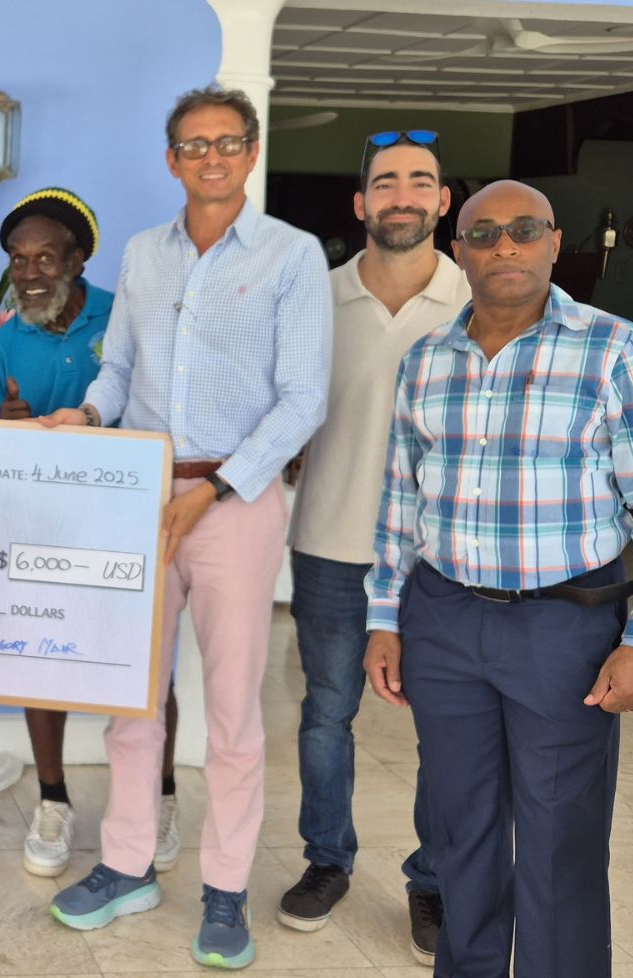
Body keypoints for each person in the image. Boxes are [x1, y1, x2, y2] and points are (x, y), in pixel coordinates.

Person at [364, 179, 633, 977]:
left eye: (524, 229)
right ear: (459, 252)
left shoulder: (615, 350)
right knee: (461, 831)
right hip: (443, 620)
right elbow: (400, 499)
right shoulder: (426, 361)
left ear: (555, 243)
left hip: (563, 628)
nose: (504, 246)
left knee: (561, 841)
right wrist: (384, 617)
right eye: (484, 234)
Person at [37, 85, 332, 970]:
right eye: (194, 145)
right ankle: (127, 865)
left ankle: (226, 890)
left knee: (234, 714)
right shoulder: (143, 254)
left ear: (251, 152)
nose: (211, 157)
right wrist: (89, 416)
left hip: (234, 503)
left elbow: (304, 400)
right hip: (139, 495)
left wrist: (217, 488)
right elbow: (118, 369)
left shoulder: (291, 255)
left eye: (227, 142)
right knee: (132, 699)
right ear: (172, 160)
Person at [278, 130, 464, 963]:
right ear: (360, 203)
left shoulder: (478, 299)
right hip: (331, 542)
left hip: (444, 558)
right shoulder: (312, 298)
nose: (402, 196)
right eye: (385, 182)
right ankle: (327, 860)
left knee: (446, 727)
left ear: (442, 201)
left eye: (419, 181)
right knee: (326, 713)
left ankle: (434, 880)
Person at [0, 188, 183, 881]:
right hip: (40, 531)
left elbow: (162, 409)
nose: (28, 272)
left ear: (76, 260)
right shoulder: (1, 347)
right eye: (17, 259)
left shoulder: (126, 321)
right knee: (41, 660)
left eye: (44, 257)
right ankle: (53, 801)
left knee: (148, 668)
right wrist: (5, 431)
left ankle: (161, 796)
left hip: (128, 525)